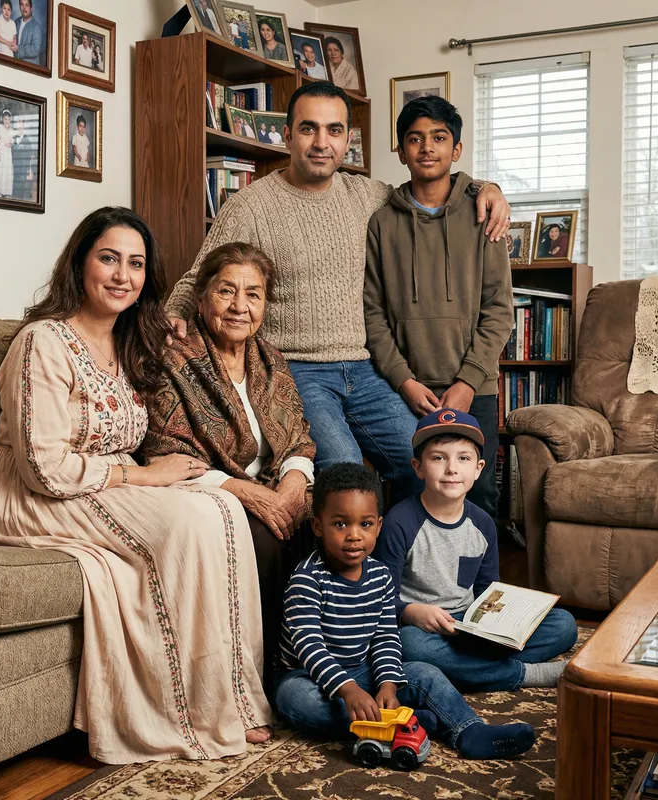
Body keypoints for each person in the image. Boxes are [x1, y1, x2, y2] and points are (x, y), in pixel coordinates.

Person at [0, 207, 272, 764]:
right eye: (108, 258)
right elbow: (44, 468)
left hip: (100, 484)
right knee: (193, 520)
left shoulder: (132, 341)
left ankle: (232, 699)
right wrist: (142, 476)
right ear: (80, 262)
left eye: (135, 264)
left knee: (223, 509)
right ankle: (189, 712)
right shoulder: (44, 342)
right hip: (31, 496)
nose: (121, 276)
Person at [167, 81, 511, 491]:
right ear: (288, 134)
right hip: (296, 369)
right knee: (345, 469)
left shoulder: (366, 195)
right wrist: (173, 315)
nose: (321, 142)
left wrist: (487, 189)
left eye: (333, 130)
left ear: (348, 139)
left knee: (425, 462)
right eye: (309, 128)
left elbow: (433, 187)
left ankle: (395, 554)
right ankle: (345, 557)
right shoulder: (251, 206)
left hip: (366, 370)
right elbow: (201, 275)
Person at [275, 463, 536, 759]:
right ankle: (401, 725)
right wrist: (348, 690)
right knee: (296, 700)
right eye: (340, 524)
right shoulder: (307, 580)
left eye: (365, 524)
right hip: (308, 677)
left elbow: (385, 636)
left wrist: (387, 683)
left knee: (425, 673)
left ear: (379, 525)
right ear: (317, 526)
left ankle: (468, 729)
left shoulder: (380, 576)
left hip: (362, 671)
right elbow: (309, 647)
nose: (354, 536)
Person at [144, 241, 315, 682]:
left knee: (343, 516)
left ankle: (343, 659)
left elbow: (297, 434)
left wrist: (294, 485)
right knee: (266, 538)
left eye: (253, 294)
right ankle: (266, 675)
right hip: (207, 493)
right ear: (200, 298)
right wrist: (250, 493)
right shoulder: (173, 357)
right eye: (226, 292)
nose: (240, 306)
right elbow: (167, 449)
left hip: (275, 488)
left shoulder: (270, 359)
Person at [363, 96, 513, 520]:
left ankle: (482, 587)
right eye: (415, 139)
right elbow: (372, 313)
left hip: (475, 387)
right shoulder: (382, 222)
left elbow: (499, 309)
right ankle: (416, 587)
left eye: (439, 138)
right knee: (414, 494)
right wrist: (403, 380)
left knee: (477, 493)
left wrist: (468, 381)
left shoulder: (484, 213)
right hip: (407, 390)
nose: (427, 147)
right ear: (400, 150)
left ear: (457, 150)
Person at [373, 410, 578, 691]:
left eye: (463, 458)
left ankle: (465, 669)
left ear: (479, 468)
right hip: (424, 629)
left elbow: (487, 592)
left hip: (470, 626)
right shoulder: (400, 522)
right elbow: (380, 601)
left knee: (563, 625)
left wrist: (507, 620)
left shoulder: (482, 523)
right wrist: (410, 612)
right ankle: (519, 674)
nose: (451, 468)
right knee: (411, 647)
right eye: (438, 458)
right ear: (418, 467)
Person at [12, 118, 35, 201]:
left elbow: (28, 158)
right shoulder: (13, 139)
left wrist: (28, 170)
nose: (19, 130)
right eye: (18, 128)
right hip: (14, 170)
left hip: (22, 170)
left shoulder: (27, 141)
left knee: (20, 194)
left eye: (20, 128)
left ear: (23, 128)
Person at [14, 0, 44, 64]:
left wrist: (18, 49)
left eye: (27, 5)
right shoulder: (16, 22)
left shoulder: (36, 27)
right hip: (15, 64)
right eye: (22, 4)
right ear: (19, 6)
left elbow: (35, 50)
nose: (24, 8)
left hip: (30, 68)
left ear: (31, 8)